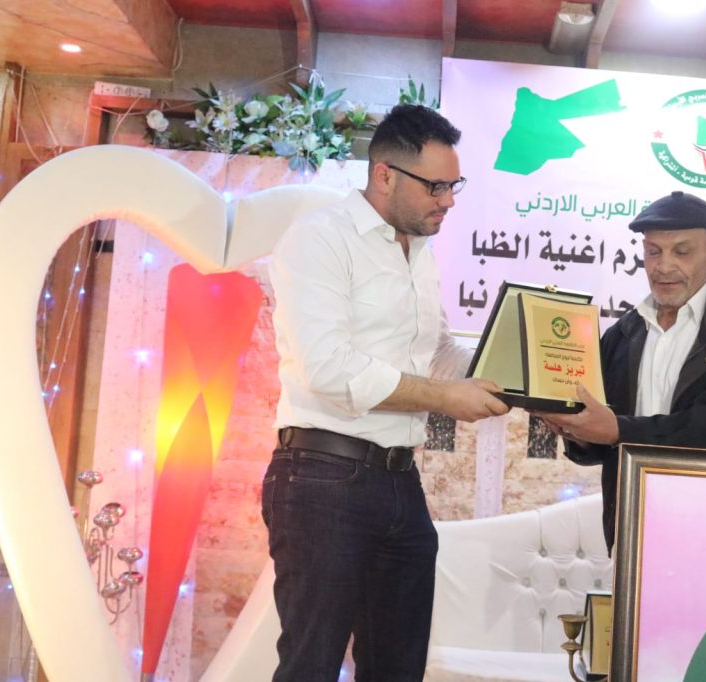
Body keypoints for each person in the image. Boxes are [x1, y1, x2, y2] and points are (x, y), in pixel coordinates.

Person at [263, 104, 509, 682]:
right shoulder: (320, 238)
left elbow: (438, 352)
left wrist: (517, 372)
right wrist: (444, 399)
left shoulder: (419, 253)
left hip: (400, 480)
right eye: (436, 187)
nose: (448, 201)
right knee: (310, 666)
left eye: (454, 186)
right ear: (384, 175)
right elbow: (329, 367)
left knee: (398, 668)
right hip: (322, 476)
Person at [536, 191, 706, 552]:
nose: (664, 266)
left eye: (681, 252)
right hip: (633, 528)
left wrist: (616, 429)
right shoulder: (622, 334)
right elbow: (601, 448)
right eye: (654, 251)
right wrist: (577, 430)